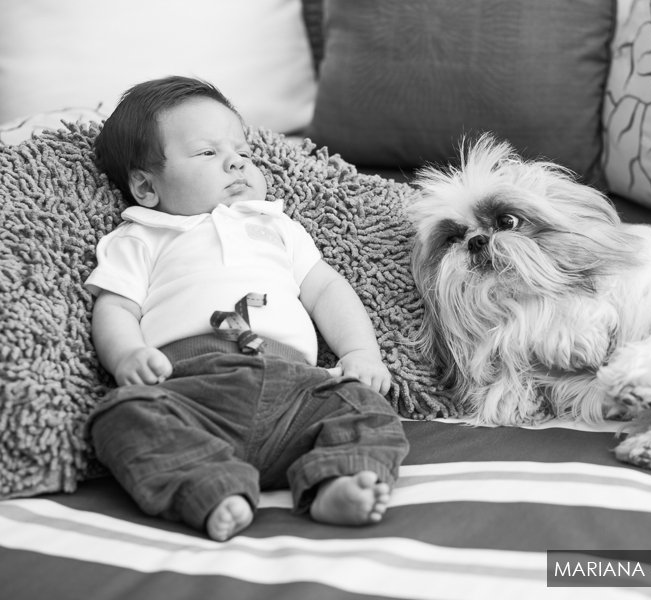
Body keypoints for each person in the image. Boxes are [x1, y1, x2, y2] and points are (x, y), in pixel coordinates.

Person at [85, 76, 409, 541]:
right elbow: (116, 306)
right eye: (207, 152)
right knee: (119, 416)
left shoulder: (276, 225)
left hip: (295, 390)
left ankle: (335, 480)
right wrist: (127, 357)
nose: (236, 161)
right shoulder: (142, 236)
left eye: (242, 151)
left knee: (363, 404)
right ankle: (208, 484)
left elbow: (325, 291)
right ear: (145, 186)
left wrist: (362, 354)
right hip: (192, 391)